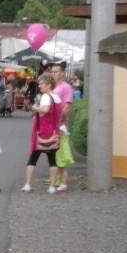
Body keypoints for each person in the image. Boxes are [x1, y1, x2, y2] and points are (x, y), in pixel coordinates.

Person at [22, 73, 64, 193]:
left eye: (41, 83)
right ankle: (52, 186)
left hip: (42, 132)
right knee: (52, 160)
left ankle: (27, 184)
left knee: (33, 158)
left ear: (48, 85)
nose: (39, 85)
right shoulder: (57, 97)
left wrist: (35, 107)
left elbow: (45, 109)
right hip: (54, 131)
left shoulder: (46, 96)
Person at [48, 61, 75, 193]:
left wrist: (59, 119)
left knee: (61, 152)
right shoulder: (52, 87)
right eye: (52, 72)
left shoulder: (66, 87)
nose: (53, 74)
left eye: (56, 71)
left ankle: (63, 181)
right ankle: (57, 177)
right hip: (51, 123)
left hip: (60, 124)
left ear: (62, 73)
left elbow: (67, 106)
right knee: (54, 150)